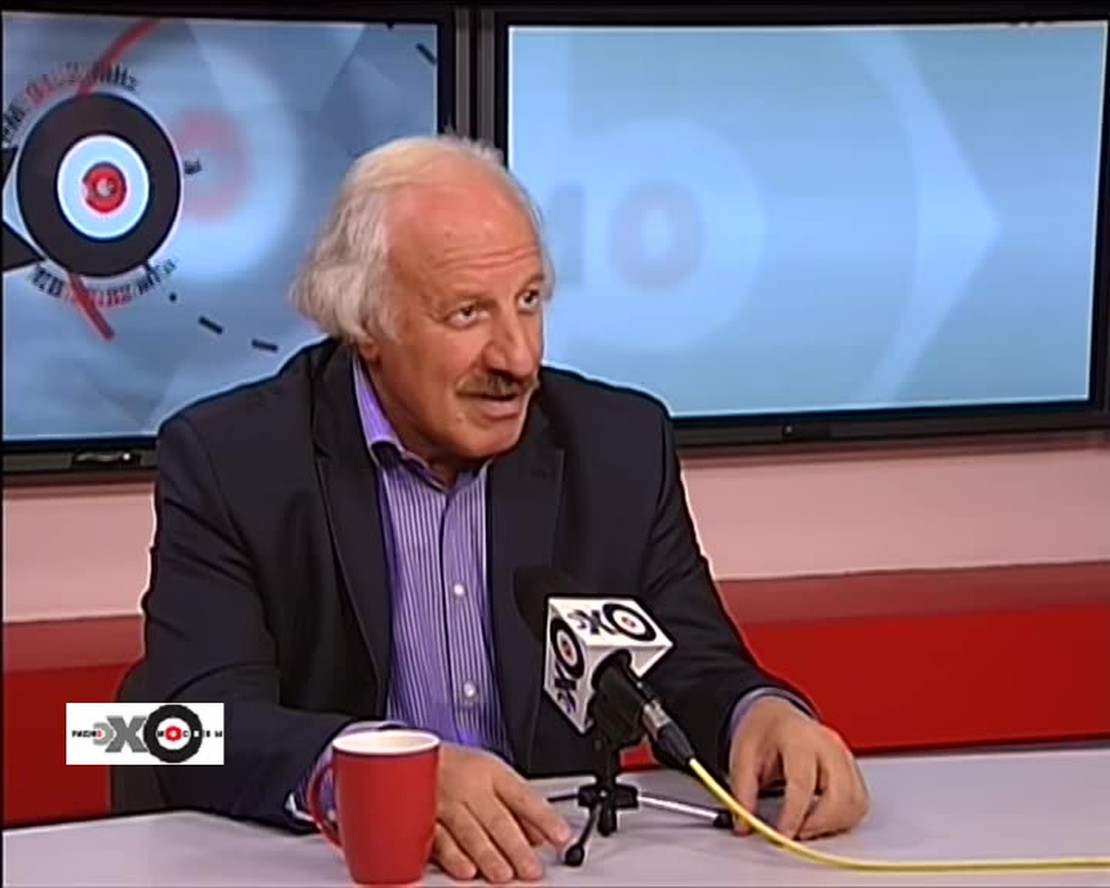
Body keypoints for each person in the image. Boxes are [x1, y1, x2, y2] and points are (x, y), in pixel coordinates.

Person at [129, 134, 869, 883]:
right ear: (367, 326)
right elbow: (174, 731)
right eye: (467, 314)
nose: (518, 358)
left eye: (529, 301)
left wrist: (759, 714)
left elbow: (692, 665)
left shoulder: (618, 446)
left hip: (554, 865)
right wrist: (379, 775)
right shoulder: (231, 461)